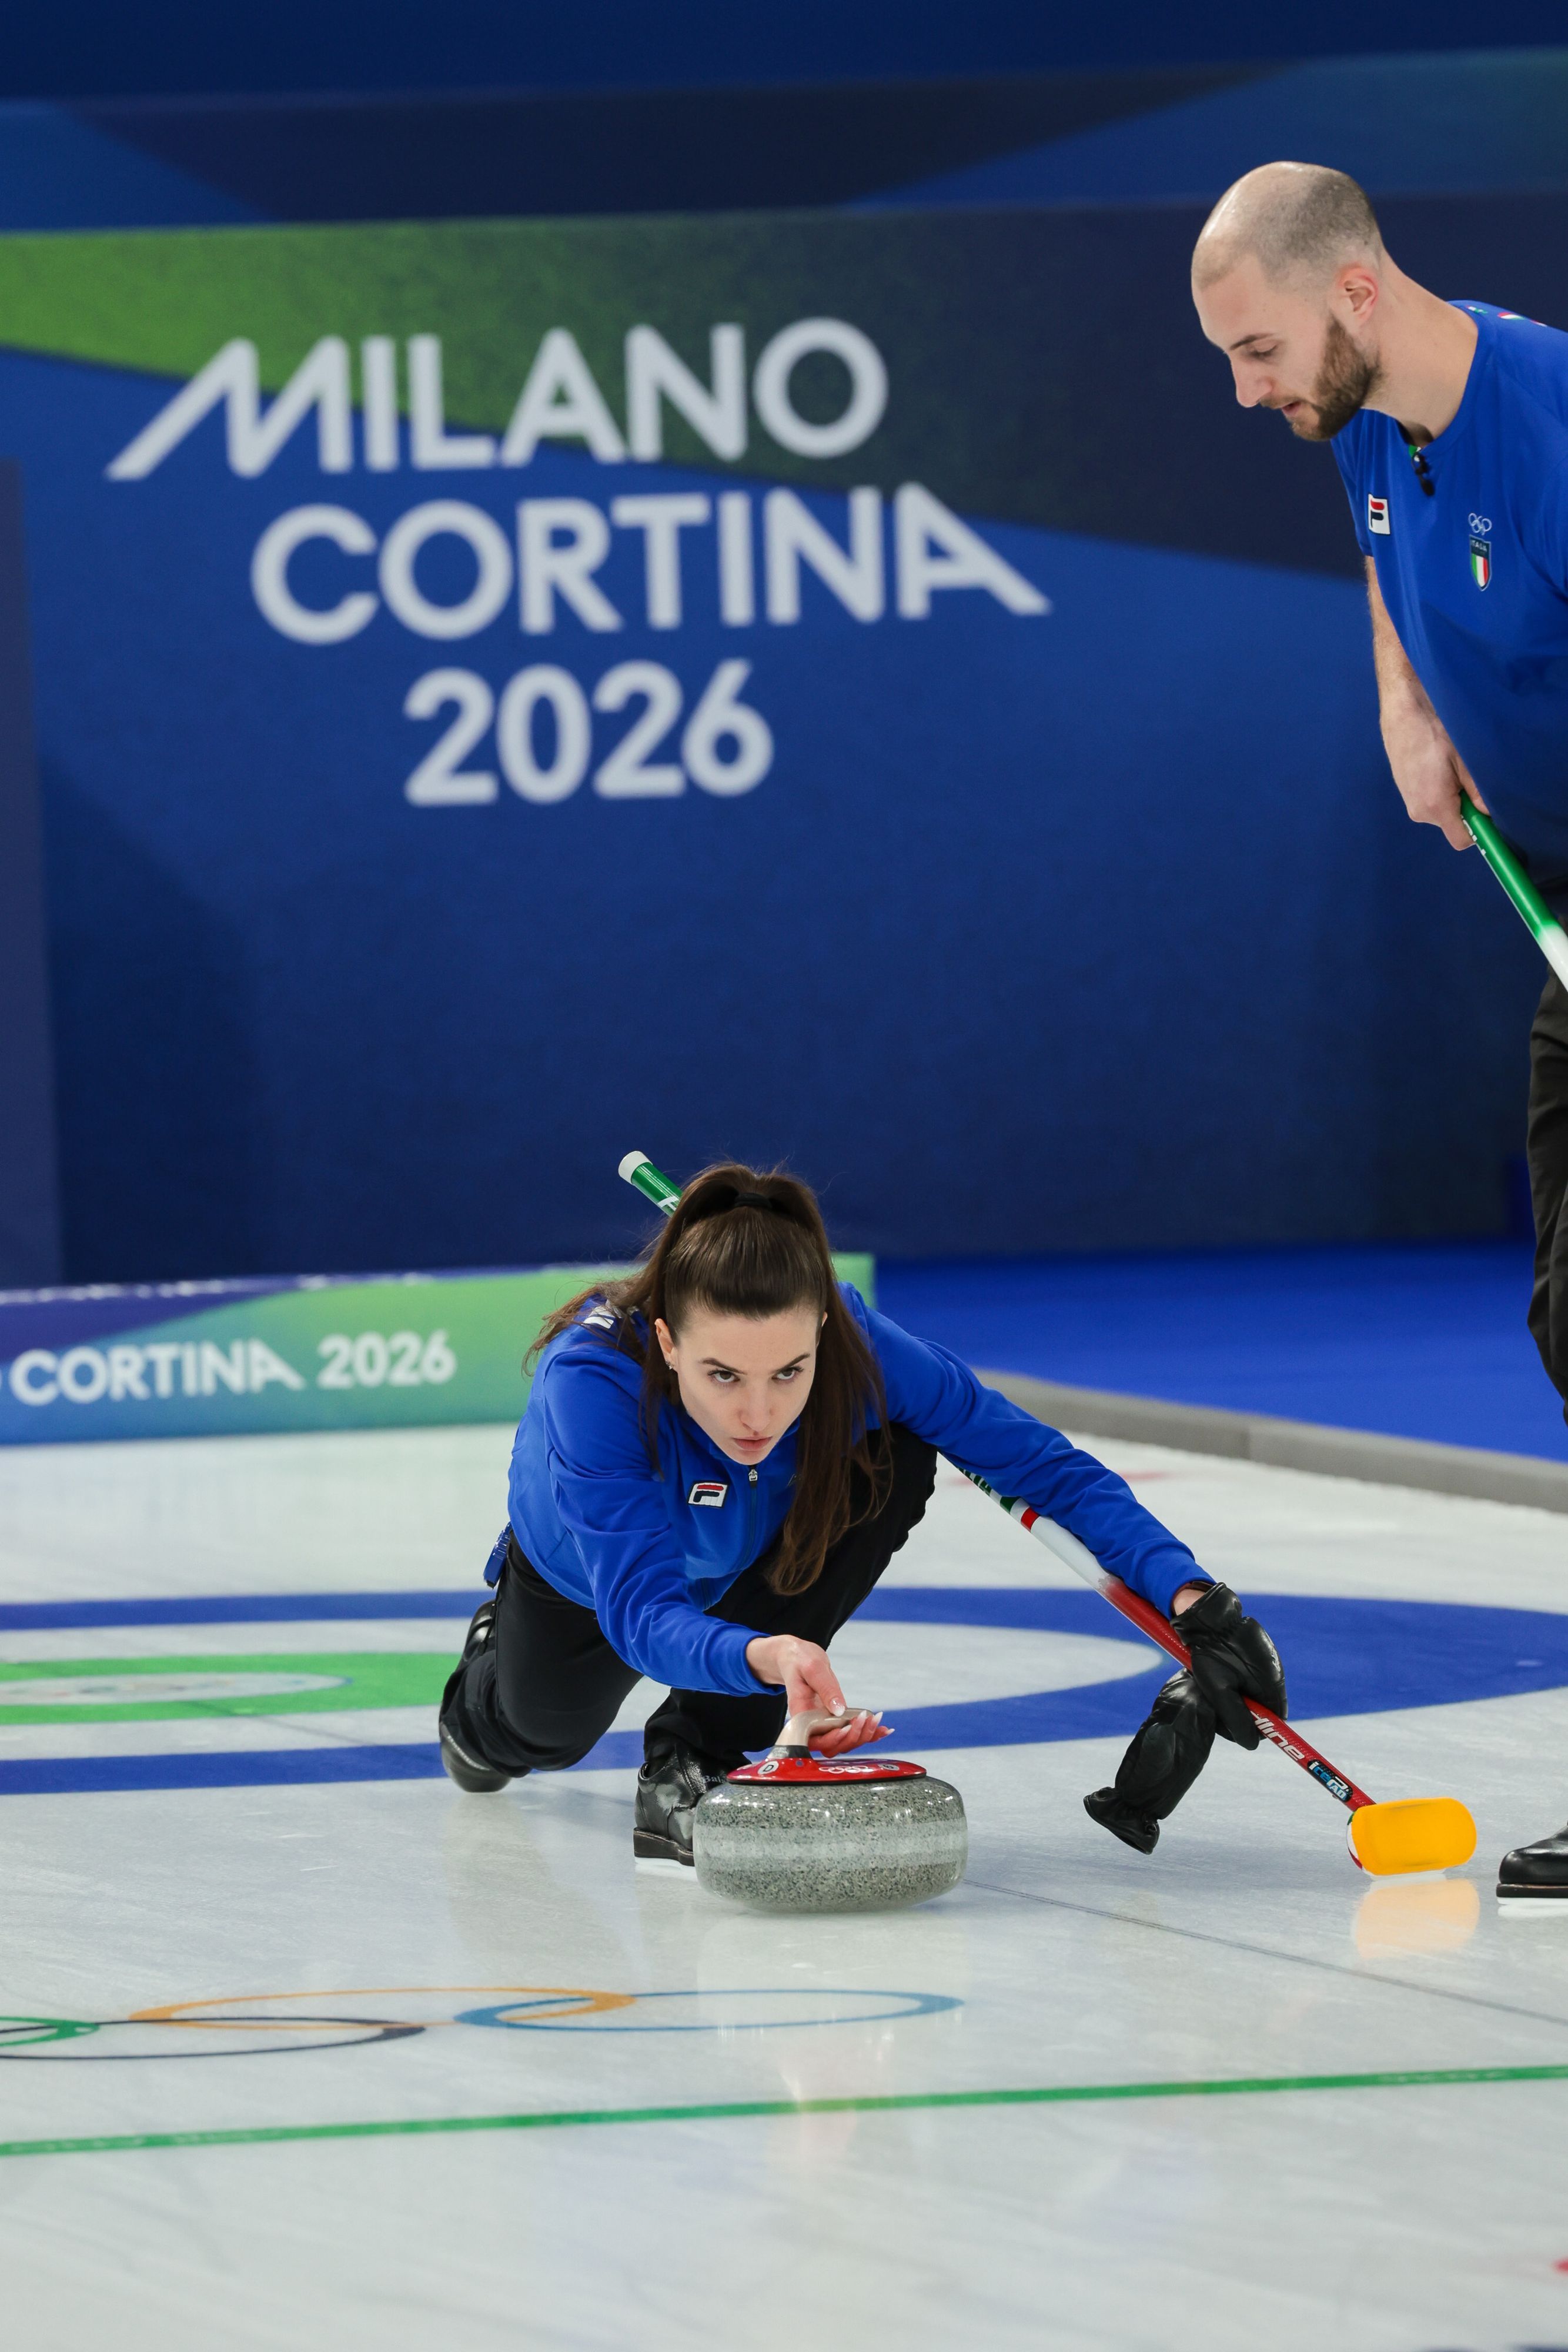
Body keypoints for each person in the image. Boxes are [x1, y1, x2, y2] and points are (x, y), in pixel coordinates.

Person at [1191, 161, 1568, 1896]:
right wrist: (1404, 704)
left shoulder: (1552, 417)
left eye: (1259, 347)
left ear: (1351, 293)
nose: (1247, 391)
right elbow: (1375, 557)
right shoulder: (1357, 424)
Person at [439, 1161, 1286, 1863]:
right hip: (591, 1577)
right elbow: (643, 1615)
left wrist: (1192, 1598)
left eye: (790, 1373)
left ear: (822, 1330)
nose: (758, 1416)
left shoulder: (863, 1346)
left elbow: (1041, 1466)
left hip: (751, 1540)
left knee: (898, 1448)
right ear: (667, 1344)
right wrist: (764, 1653)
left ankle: (695, 1757)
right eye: (723, 1376)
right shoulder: (594, 1386)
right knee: (536, 1739)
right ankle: (487, 1679)